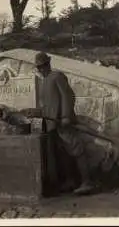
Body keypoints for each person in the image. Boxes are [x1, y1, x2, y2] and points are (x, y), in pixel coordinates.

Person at [22, 51, 95, 196]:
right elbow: (48, 107)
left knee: (76, 150)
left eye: (43, 65)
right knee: (63, 154)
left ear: (48, 64)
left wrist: (66, 116)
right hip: (52, 124)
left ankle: (87, 182)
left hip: (63, 122)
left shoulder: (58, 77)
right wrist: (35, 112)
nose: (41, 69)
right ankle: (70, 181)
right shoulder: (44, 82)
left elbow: (68, 96)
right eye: (39, 67)